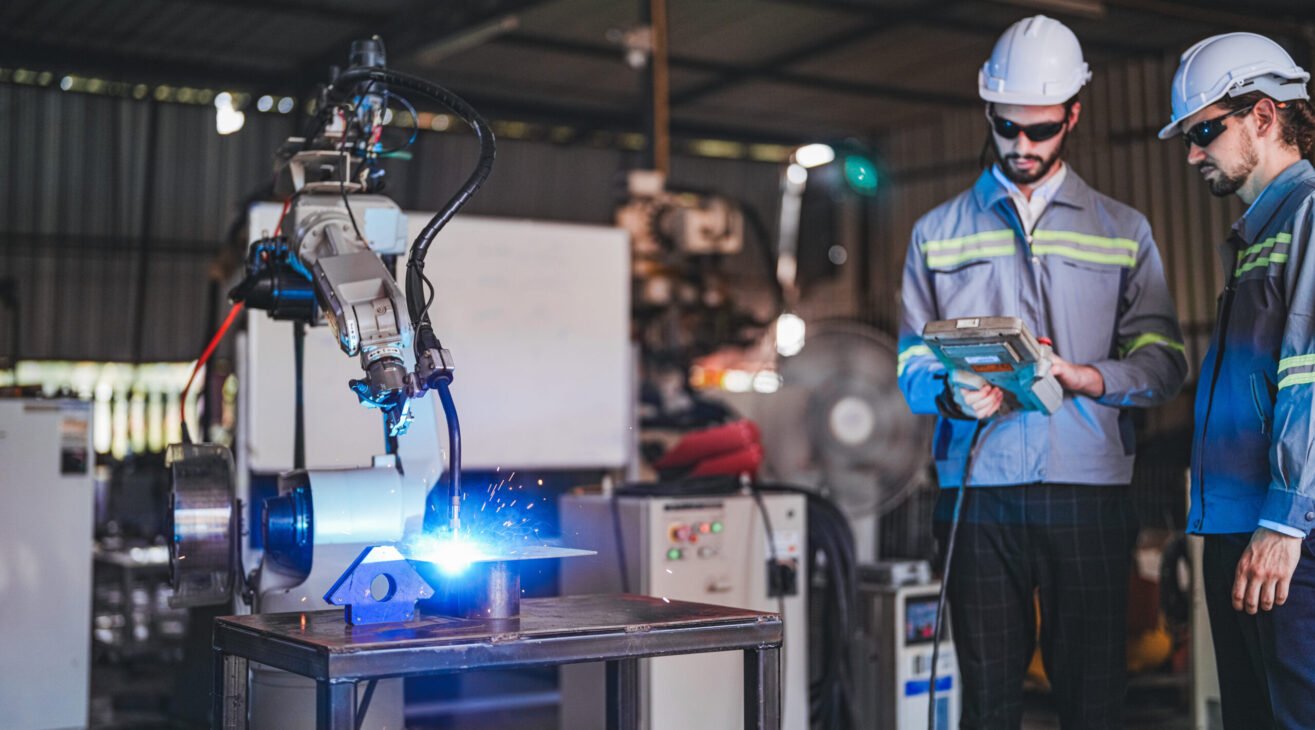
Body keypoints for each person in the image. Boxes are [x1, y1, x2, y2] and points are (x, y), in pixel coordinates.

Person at [897, 15, 1187, 729]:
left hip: (1085, 489)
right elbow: (909, 363)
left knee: (1091, 697)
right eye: (1006, 128)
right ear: (988, 114)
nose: (1022, 146)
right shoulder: (936, 234)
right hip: (976, 491)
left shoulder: (1123, 231)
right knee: (987, 699)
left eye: (1041, 130)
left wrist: (1085, 375)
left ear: (1073, 115)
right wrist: (952, 394)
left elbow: (1165, 363)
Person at [1159, 32, 1315, 729]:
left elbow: (1309, 376)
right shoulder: (1258, 234)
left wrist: (1286, 517)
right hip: (1238, 528)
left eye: (1203, 132)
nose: (1192, 153)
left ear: (1262, 115)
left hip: (1284, 537)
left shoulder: (1308, 214)